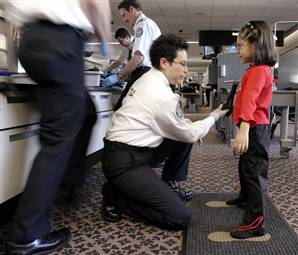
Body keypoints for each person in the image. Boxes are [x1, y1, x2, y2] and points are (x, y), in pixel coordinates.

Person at [1, 1, 112, 254]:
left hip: (29, 42)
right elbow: (96, 2)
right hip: (59, 41)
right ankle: (26, 235)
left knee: (87, 114)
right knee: (57, 140)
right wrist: (103, 35)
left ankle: (70, 179)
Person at [101, 34, 228, 230]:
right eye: (183, 64)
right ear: (164, 63)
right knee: (179, 217)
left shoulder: (147, 78)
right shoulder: (162, 95)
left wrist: (189, 129)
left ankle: (167, 183)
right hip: (125, 163)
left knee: (183, 138)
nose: (186, 70)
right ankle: (116, 197)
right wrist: (213, 116)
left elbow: (177, 125)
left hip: (125, 151)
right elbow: (190, 133)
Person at [226, 20, 278, 239]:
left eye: (241, 45)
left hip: (255, 129)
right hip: (254, 127)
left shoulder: (259, 71)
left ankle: (255, 222)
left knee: (253, 173)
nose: (238, 50)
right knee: (245, 166)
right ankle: (245, 198)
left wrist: (244, 128)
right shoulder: (256, 70)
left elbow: (251, 100)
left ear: (257, 45)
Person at [113, 0, 161, 111]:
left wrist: (118, 75)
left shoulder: (143, 25)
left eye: (124, 15)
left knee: (121, 110)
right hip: (150, 74)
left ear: (132, 9)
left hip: (144, 73)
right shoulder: (148, 24)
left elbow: (138, 58)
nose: (124, 20)